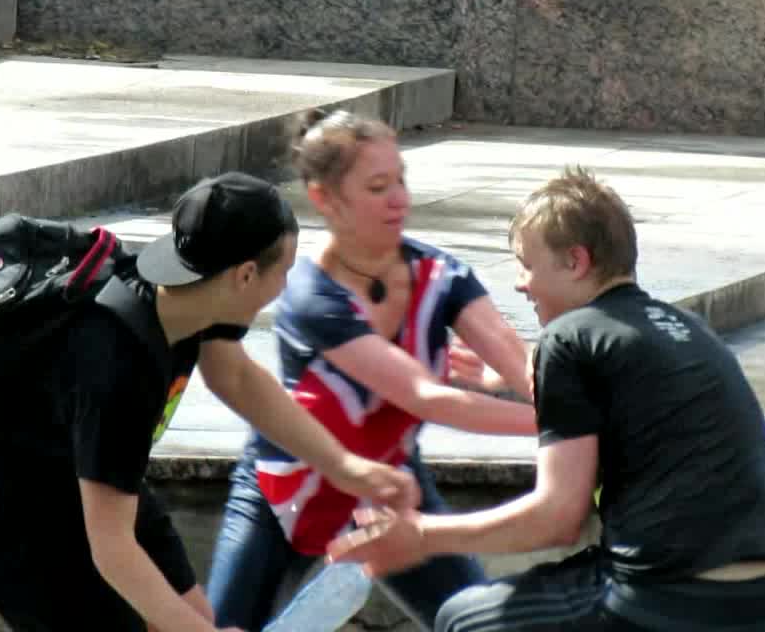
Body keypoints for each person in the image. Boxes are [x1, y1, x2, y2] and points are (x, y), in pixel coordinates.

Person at [326, 166, 765, 631]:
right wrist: (505, 381)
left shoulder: (567, 338)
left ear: (576, 261)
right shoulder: (685, 328)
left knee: (463, 617)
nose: (520, 284)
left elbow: (557, 518)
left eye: (527, 265)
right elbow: (610, 399)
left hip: (669, 600)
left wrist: (421, 535)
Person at [0, 172, 420, 632]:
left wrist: (345, 467)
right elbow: (112, 549)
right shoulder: (116, 367)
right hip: (27, 525)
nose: (285, 287)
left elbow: (236, 377)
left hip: (101, 482)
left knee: (194, 614)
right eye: (284, 271)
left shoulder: (194, 292)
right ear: (245, 275)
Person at [205, 109, 538, 631]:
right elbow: (425, 397)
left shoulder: (443, 276)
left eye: (401, 180)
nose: (399, 199)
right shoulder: (310, 295)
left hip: (389, 484)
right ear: (325, 199)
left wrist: (551, 393)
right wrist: (554, 424)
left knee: (478, 622)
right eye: (378, 187)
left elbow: (526, 369)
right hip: (287, 491)